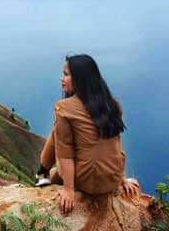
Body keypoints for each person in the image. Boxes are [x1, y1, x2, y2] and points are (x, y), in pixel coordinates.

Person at [36, 54, 140, 215]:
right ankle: (42, 171)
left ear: (79, 79)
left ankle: (42, 172)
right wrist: (122, 179)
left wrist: (68, 190)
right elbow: (114, 147)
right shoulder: (111, 105)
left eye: (66, 74)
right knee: (61, 128)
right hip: (112, 180)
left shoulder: (64, 108)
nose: (62, 79)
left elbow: (65, 153)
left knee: (54, 157)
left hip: (87, 181)